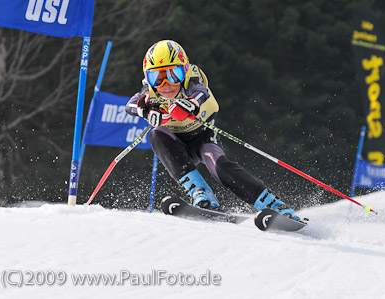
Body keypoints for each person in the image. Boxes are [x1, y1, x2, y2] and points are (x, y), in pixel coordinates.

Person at [125, 40, 299, 220]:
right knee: (156, 134)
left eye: (173, 74)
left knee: (220, 167)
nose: (166, 84)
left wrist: (191, 104)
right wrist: (145, 109)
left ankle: (273, 204)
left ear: (184, 71)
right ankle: (201, 193)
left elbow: (201, 90)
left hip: (203, 136)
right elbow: (131, 104)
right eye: (157, 78)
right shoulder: (150, 90)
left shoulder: (192, 76)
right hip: (177, 144)